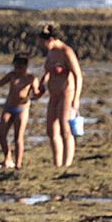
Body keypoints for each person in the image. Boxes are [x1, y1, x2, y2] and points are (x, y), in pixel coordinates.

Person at [35, 26, 83, 169]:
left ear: (50, 40)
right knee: (51, 130)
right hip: (53, 94)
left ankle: (67, 164)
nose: (41, 46)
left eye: (42, 43)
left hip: (66, 93)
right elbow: (48, 73)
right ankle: (57, 163)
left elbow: (78, 75)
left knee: (65, 129)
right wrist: (41, 89)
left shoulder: (66, 52)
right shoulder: (51, 53)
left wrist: (76, 98)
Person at [0, 54, 42, 169]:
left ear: (25, 66)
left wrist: (38, 94)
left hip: (22, 109)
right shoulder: (12, 75)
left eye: (20, 67)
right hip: (9, 107)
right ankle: (7, 158)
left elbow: (36, 93)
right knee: (2, 134)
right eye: (16, 67)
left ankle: (18, 163)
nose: (18, 70)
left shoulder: (31, 78)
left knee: (18, 137)